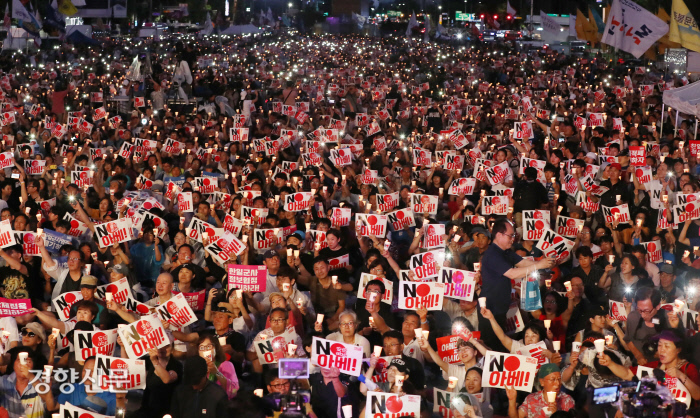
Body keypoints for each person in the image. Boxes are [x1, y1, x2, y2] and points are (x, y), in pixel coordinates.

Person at [480, 219, 554, 351]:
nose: (513, 239)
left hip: (500, 309)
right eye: (510, 235)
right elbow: (513, 274)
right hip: (490, 310)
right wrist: (539, 265)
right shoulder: (492, 254)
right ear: (499, 235)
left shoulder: (506, 252)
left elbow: (523, 263)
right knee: (493, 348)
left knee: (500, 344)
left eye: (514, 235)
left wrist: (545, 263)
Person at [507, 363, 574, 418]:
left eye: (559, 379)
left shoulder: (567, 400)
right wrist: (512, 400)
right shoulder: (531, 399)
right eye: (552, 379)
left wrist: (556, 414)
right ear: (542, 382)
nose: (557, 383)